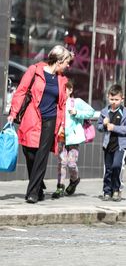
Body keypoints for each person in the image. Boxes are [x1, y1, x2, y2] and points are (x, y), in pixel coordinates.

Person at [7, 45, 73, 203]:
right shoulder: (35, 70)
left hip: (50, 120)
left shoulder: (62, 80)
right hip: (32, 116)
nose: (68, 66)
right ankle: (39, 186)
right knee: (30, 152)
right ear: (59, 61)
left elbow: (63, 104)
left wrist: (62, 125)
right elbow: (21, 91)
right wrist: (13, 113)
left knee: (41, 156)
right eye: (67, 62)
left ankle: (33, 193)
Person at [52, 80, 98, 198]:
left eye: (65, 89)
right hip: (61, 138)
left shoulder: (76, 102)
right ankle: (60, 187)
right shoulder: (58, 103)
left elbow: (91, 112)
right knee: (62, 163)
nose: (62, 92)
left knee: (71, 163)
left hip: (73, 139)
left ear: (70, 90)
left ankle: (74, 179)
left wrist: (77, 112)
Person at [97, 84, 126, 202]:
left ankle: (116, 189)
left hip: (121, 145)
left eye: (116, 100)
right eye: (111, 99)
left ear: (122, 99)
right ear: (108, 97)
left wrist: (115, 128)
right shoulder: (104, 112)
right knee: (108, 169)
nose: (114, 102)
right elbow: (99, 127)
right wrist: (103, 124)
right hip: (108, 145)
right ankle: (107, 191)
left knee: (116, 166)